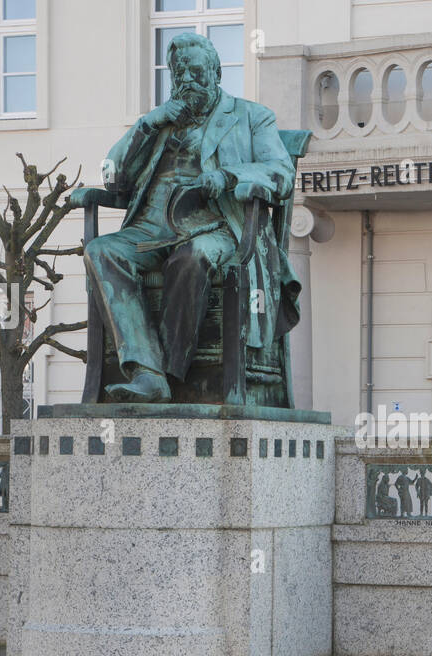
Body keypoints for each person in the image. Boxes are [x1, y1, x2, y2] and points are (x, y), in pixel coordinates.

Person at [74, 32, 299, 403]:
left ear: (216, 73)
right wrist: (148, 123)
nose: (187, 82)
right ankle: (147, 372)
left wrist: (229, 177)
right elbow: (112, 174)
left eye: (196, 73)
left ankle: (169, 374)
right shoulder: (160, 123)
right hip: (150, 227)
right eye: (179, 75)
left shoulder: (251, 116)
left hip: (216, 226)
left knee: (191, 257)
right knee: (101, 251)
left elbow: (280, 173)